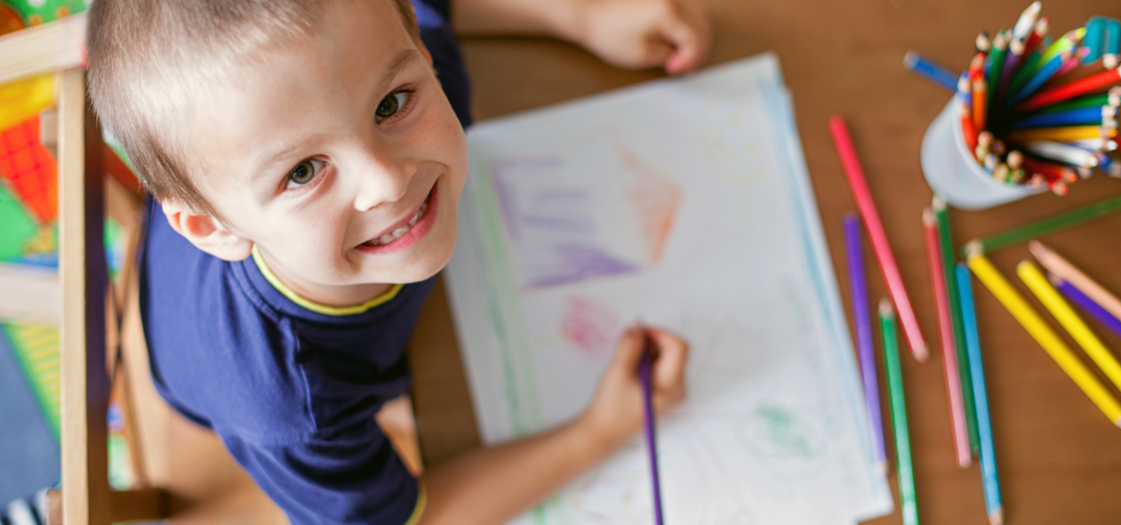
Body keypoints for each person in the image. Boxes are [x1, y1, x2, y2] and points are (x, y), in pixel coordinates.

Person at [85, 0, 709, 523]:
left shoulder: (410, 80)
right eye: (303, 172)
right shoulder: (288, 407)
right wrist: (597, 433)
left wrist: (579, 15)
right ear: (211, 227)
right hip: (198, 356)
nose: (387, 181)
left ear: (421, 57)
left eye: (391, 104)